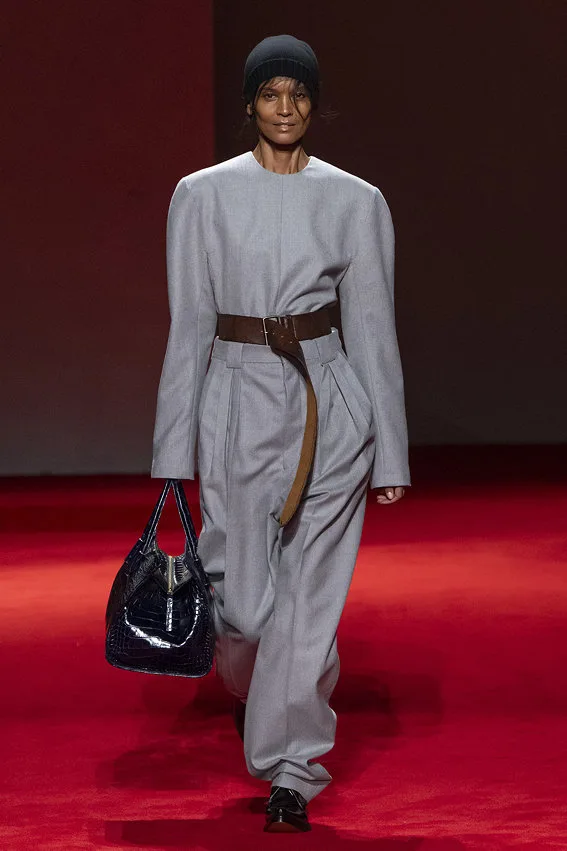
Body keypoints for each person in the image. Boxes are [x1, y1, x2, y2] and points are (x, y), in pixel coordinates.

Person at [151, 33, 411, 833]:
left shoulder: (355, 200)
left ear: (313, 104)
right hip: (235, 398)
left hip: (328, 402)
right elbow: (188, 326)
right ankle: (257, 686)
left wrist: (389, 451)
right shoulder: (201, 195)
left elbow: (373, 329)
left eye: (298, 93)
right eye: (270, 93)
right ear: (250, 104)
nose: (285, 107)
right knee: (244, 607)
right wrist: (172, 450)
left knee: (309, 599)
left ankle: (291, 769)